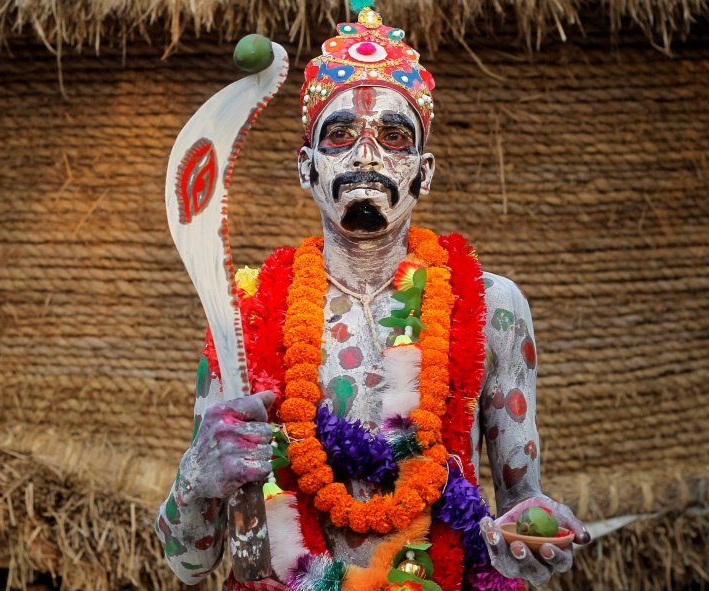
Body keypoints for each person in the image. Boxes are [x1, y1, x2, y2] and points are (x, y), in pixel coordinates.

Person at [155, 6, 590, 590]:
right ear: (307, 168)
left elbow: (521, 507)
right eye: (340, 135)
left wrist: (530, 538)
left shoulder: (493, 307)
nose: (366, 155)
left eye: (392, 136)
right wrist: (197, 478)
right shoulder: (242, 315)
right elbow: (187, 563)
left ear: (423, 172)